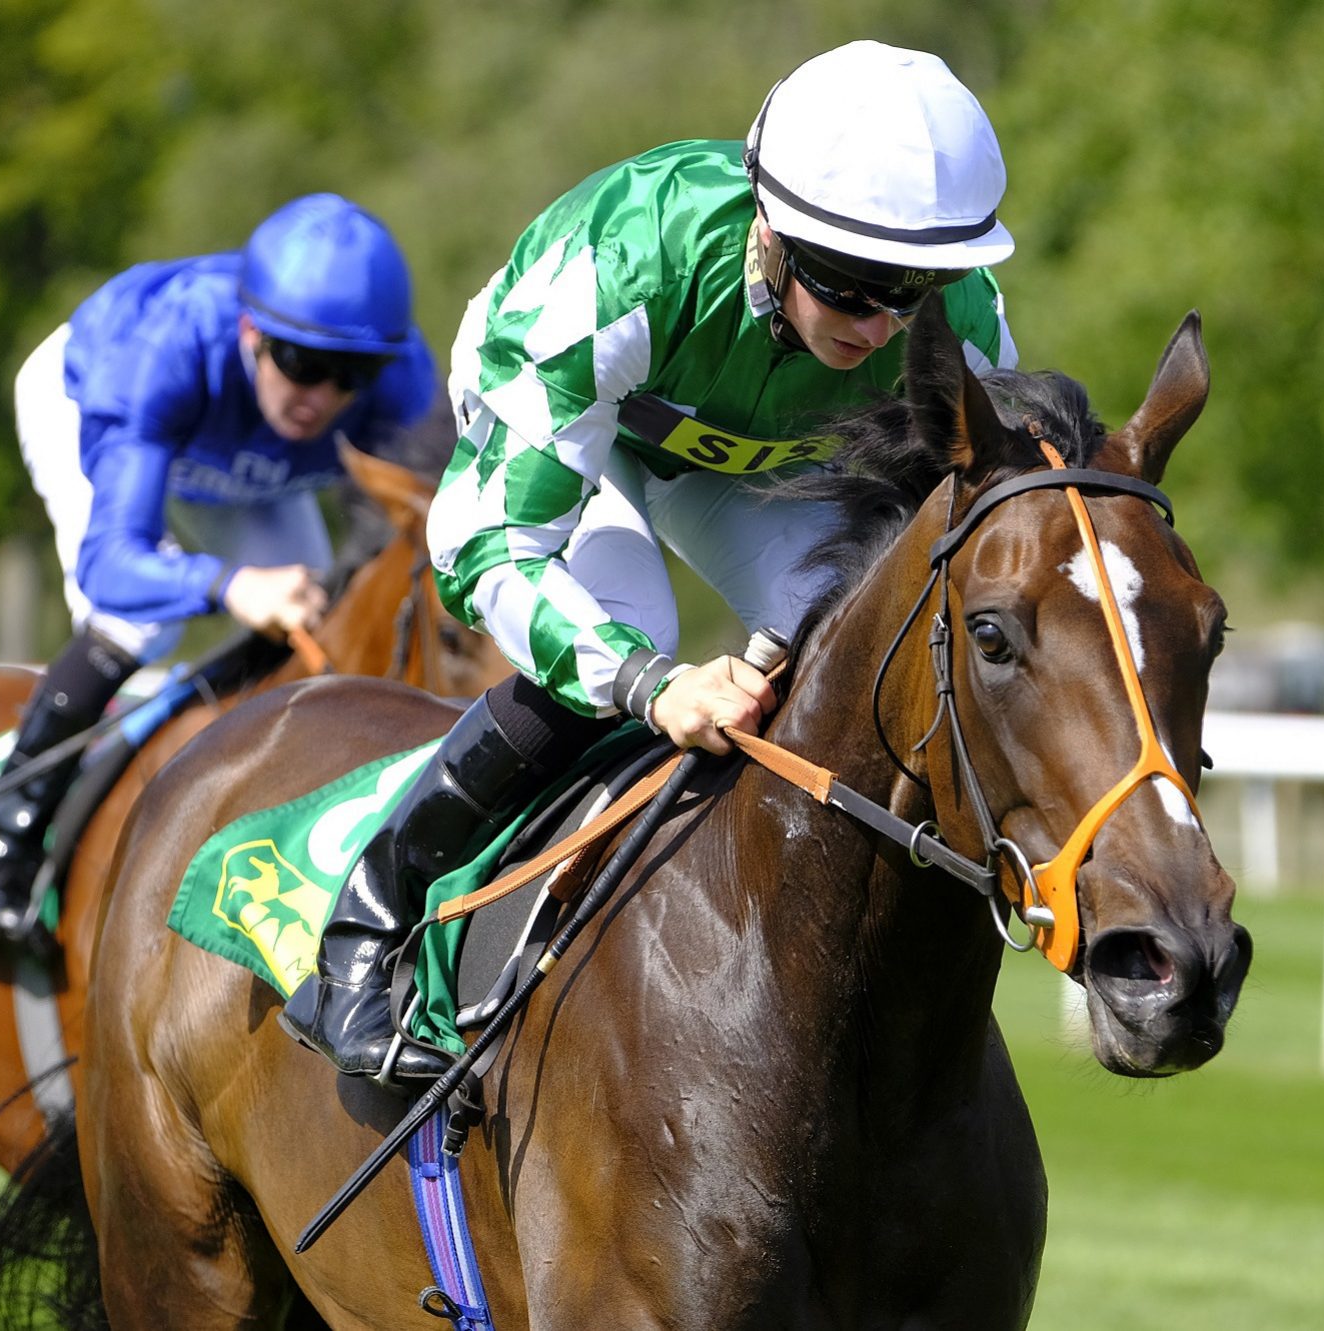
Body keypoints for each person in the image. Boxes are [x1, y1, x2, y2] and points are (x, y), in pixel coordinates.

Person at [280, 40, 1021, 1080]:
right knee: (629, 630)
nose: (883, 324)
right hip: (587, 419)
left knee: (849, 620)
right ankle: (366, 928)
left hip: (744, 457)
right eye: (854, 285)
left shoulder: (962, 324)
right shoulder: (620, 267)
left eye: (919, 289)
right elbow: (485, 547)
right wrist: (649, 681)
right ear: (770, 222)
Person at [0, 193, 438, 947]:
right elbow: (112, 562)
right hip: (98, 402)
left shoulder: (401, 383)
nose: (323, 397)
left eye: (351, 375)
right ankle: (2, 846)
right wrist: (229, 584)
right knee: (145, 618)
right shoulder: (165, 351)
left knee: (318, 613)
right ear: (251, 332)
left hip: (244, 462)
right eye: (302, 365)